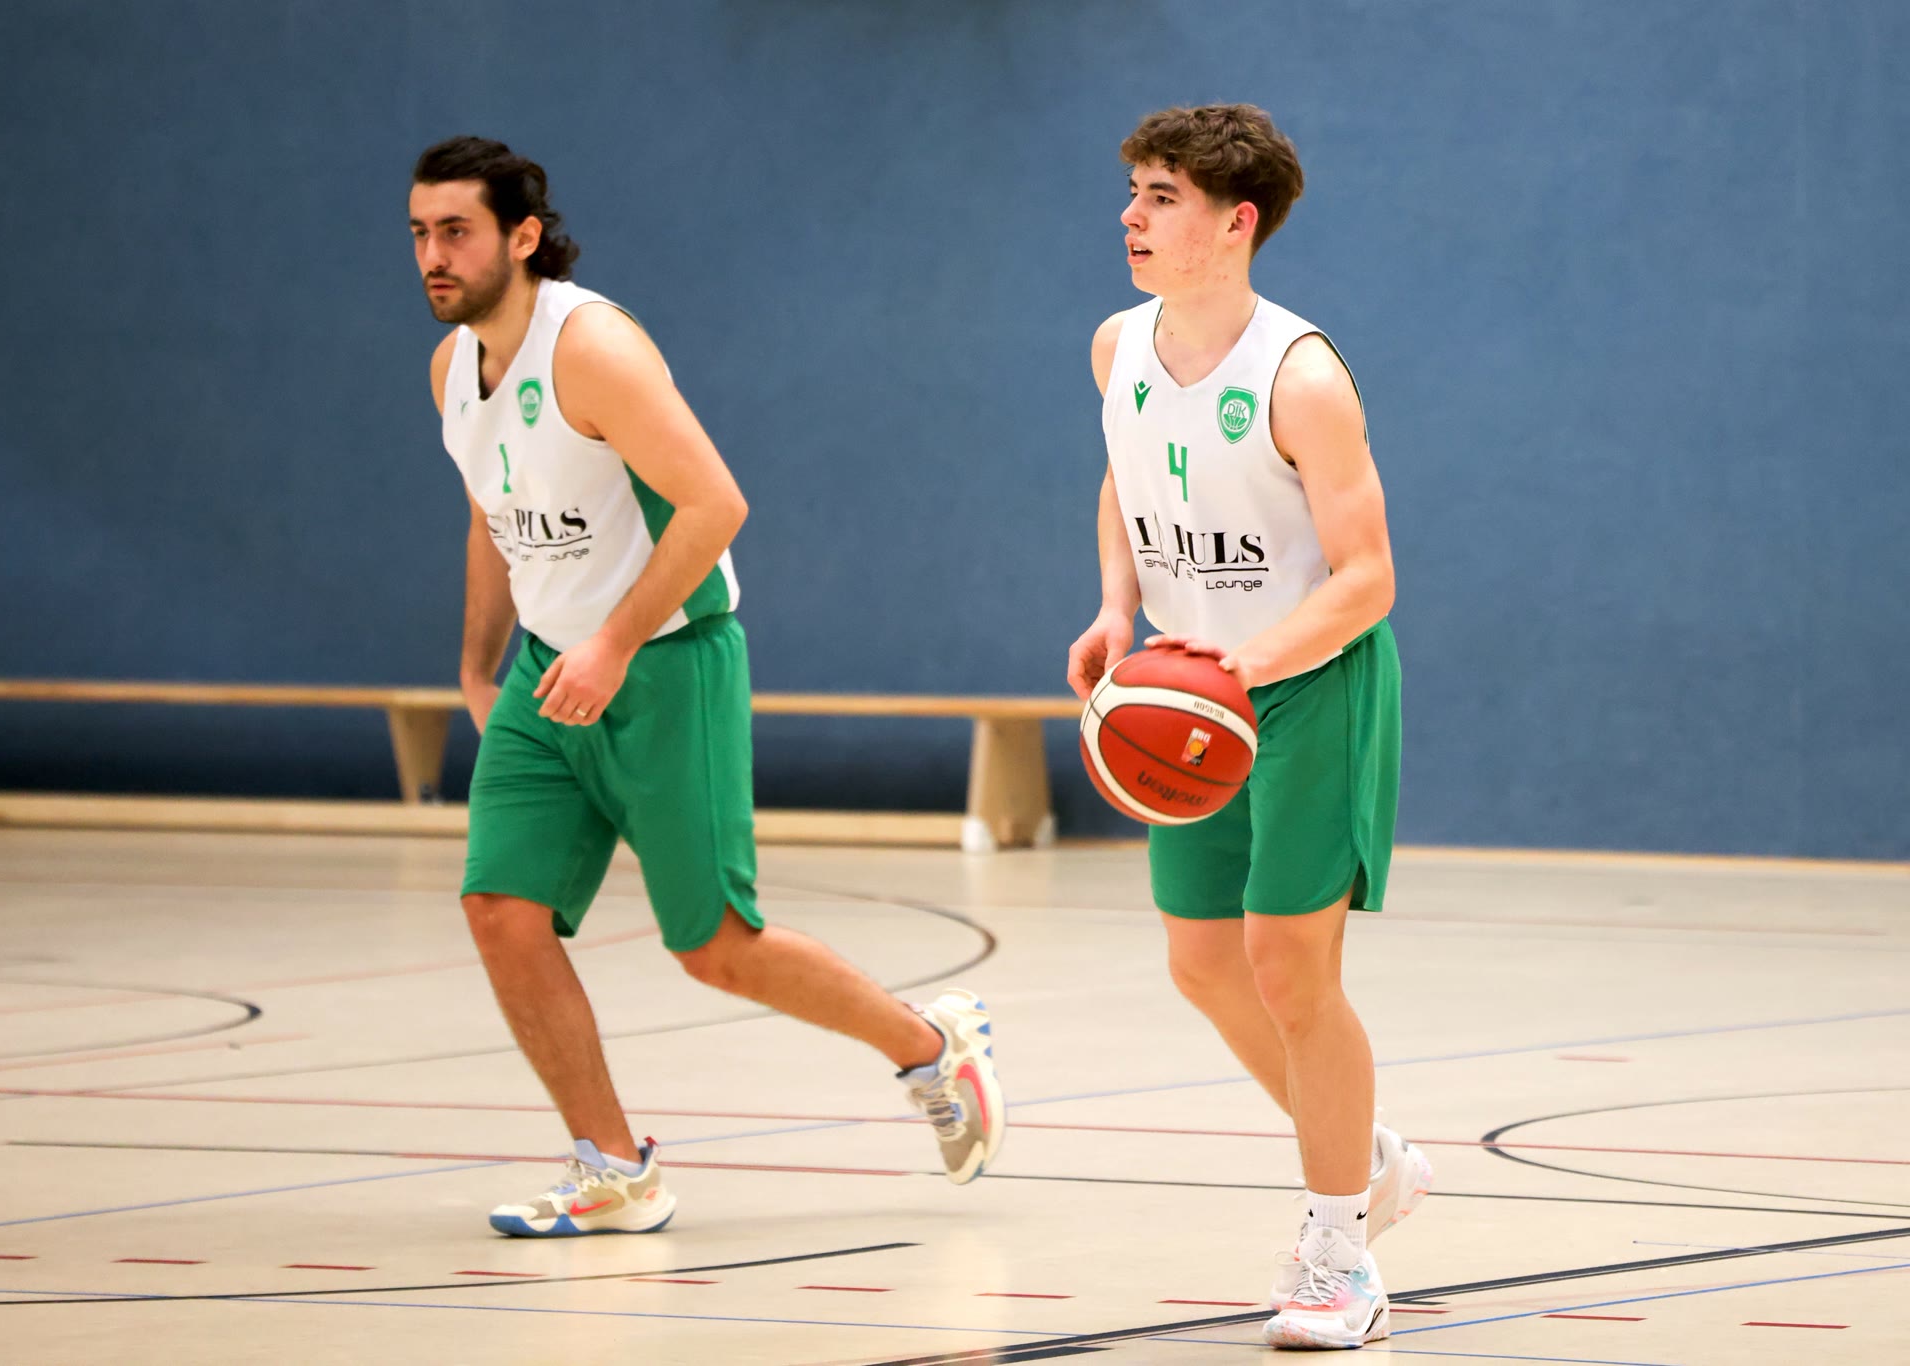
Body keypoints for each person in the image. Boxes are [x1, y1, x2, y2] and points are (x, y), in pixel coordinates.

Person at [407, 135, 1003, 1236]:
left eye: (457, 231)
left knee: (717, 948)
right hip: (548, 672)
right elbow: (493, 516)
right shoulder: (452, 368)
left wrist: (613, 645)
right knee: (499, 910)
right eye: (420, 234)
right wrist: (476, 665)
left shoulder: (592, 348)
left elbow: (715, 504)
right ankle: (612, 1166)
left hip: (665, 661)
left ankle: (930, 1049)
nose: (433, 256)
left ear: (523, 237)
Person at [1065, 105, 1430, 1350]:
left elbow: (1367, 576)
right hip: (1186, 682)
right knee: (1201, 964)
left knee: (1287, 966)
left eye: (1160, 196)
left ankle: (1339, 1251)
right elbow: (1125, 477)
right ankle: (1367, 1156)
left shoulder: (1300, 377)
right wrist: (1114, 608)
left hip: (1306, 681)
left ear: (1237, 223)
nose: (1130, 215)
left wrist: (1246, 664)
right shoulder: (1116, 345)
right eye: (1132, 190)